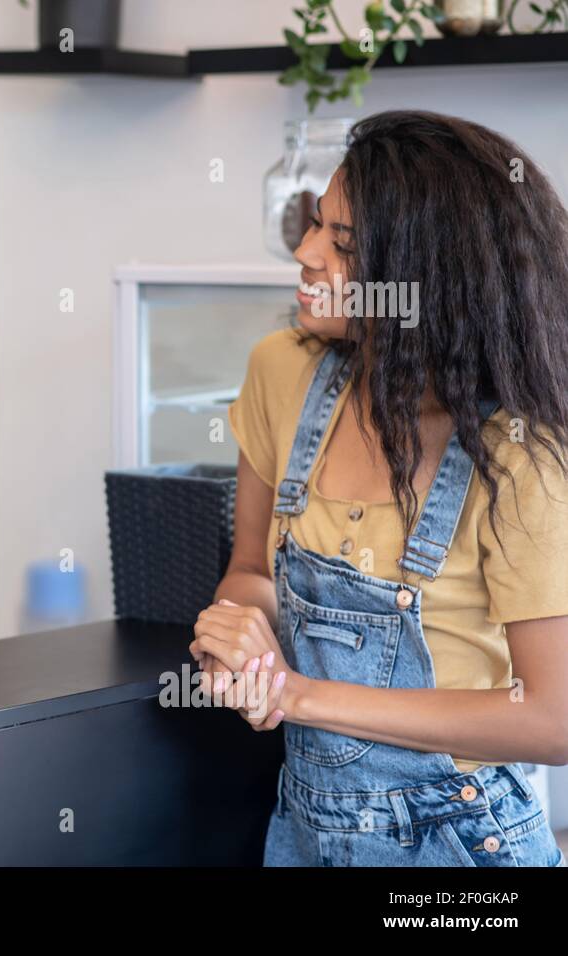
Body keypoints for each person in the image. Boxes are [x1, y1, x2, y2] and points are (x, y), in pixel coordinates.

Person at [193, 110, 568, 866]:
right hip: (301, 831)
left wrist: (297, 696)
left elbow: (555, 720)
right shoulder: (283, 373)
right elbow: (253, 572)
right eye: (314, 227)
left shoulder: (521, 457)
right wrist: (238, 637)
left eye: (343, 246)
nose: (303, 254)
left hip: (461, 845)